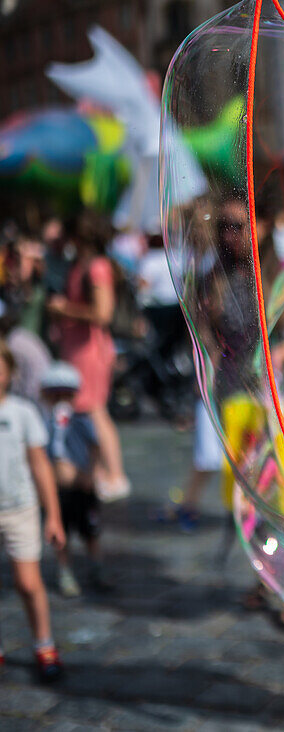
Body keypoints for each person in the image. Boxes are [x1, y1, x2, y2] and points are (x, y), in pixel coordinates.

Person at [47, 212, 128, 500]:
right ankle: (98, 473)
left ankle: (116, 474)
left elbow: (102, 313)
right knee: (85, 410)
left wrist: (63, 309)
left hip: (90, 350)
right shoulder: (80, 265)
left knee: (95, 410)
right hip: (77, 348)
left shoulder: (96, 267)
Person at [0, 340, 65, 682]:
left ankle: (45, 643)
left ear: (10, 370)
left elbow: (41, 466)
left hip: (20, 510)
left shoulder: (22, 412)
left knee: (28, 583)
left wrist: (52, 515)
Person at [39, 361, 110, 597]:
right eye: (55, 394)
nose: (61, 400)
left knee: (91, 530)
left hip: (82, 487)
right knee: (61, 534)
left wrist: (91, 472)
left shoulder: (81, 420)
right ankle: (65, 571)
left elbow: (95, 446)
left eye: (66, 394)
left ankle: (97, 568)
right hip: (58, 491)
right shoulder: (43, 423)